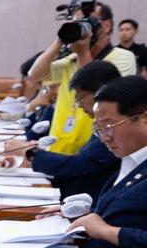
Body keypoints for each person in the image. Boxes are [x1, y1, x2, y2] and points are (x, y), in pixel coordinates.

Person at [68, 76, 147, 248]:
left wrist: (107, 231)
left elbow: (109, 228)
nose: (104, 138)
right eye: (98, 129)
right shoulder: (131, 159)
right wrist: (82, 217)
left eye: (109, 127)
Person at [29, 4, 136, 155]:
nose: (82, 28)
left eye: (88, 22)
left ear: (106, 25)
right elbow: (35, 75)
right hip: (58, 148)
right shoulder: (71, 59)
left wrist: (83, 52)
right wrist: (61, 39)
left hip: (90, 151)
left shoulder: (123, 57)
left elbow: (99, 93)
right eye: (78, 23)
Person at [28, 61, 121, 200]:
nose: (78, 104)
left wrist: (30, 154)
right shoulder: (101, 124)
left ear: (100, 92)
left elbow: (82, 165)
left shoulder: (116, 125)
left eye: (79, 97)